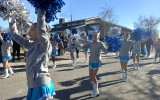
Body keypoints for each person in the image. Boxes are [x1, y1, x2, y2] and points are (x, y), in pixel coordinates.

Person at [9, 9, 55, 100]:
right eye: (29, 30)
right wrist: (12, 18)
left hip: (41, 84)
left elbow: (41, 31)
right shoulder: (30, 44)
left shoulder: (44, 45)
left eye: (33, 30)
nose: (29, 32)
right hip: (32, 84)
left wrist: (41, 10)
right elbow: (14, 35)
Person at [82, 31, 108, 98]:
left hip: (96, 62)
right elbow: (83, 46)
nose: (94, 37)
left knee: (93, 76)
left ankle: (96, 91)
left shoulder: (100, 43)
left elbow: (106, 51)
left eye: (96, 35)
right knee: (90, 77)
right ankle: (93, 89)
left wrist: (110, 48)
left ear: (98, 36)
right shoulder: (90, 43)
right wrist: (77, 44)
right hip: (91, 61)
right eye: (93, 35)